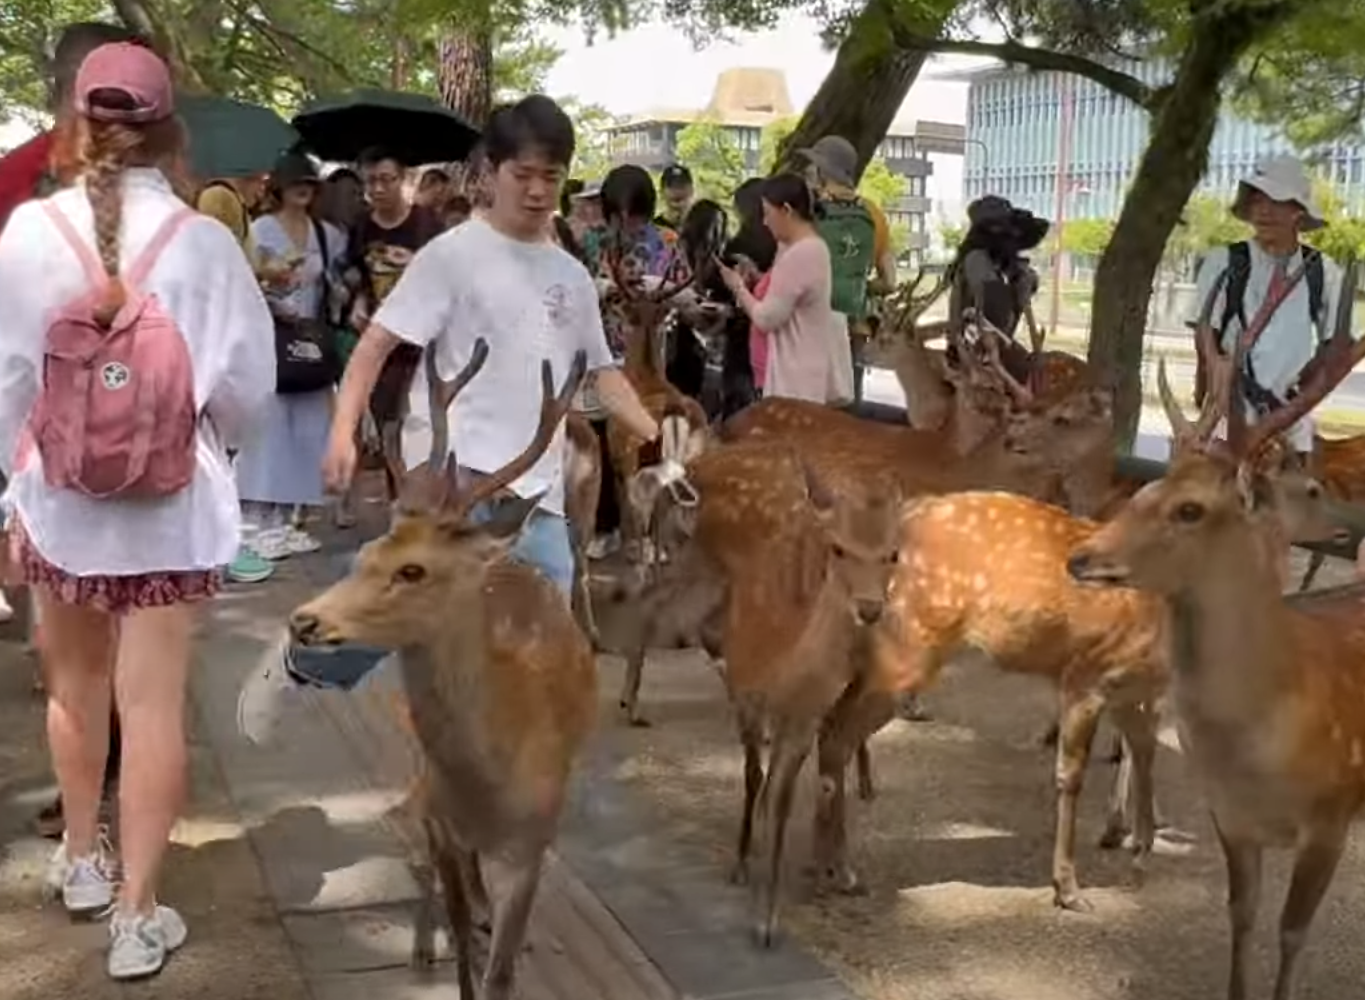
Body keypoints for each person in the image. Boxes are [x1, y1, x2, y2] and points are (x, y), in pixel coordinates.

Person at [237, 94, 659, 734]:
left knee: (546, 641)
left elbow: (603, 374)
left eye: (553, 177)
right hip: (449, 483)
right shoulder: (451, 255)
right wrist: (343, 432)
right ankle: (301, 665)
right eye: (525, 175)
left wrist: (663, 444)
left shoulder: (571, 277)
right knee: (382, 600)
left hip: (533, 498)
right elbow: (377, 343)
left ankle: (508, 789)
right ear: (489, 172)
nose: (540, 191)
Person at [0, 41, 272, 978]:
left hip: (60, 505)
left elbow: (5, 381)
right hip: (168, 511)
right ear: (170, 129)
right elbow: (246, 392)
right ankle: (138, 913)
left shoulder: (28, 233)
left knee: (72, 691)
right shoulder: (204, 241)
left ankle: (80, 860)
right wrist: (209, 442)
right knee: (150, 708)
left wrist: (13, 487)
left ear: (75, 122)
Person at [2, 20, 145, 843]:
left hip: (67, 462)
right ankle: (100, 792)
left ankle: (98, 799)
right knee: (84, 653)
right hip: (85, 459)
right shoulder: (21, 183)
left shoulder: (150, 192)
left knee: (76, 654)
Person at [1193, 155, 1362, 461]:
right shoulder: (1224, 261)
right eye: (1257, 200)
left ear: (1298, 211)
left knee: (1289, 503)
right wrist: (1210, 387)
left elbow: (1337, 343)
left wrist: (1307, 383)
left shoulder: (1323, 271)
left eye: (1276, 201)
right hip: (1225, 425)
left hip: (1289, 426)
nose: (1263, 211)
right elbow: (1204, 337)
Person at [234, 153, 346, 558]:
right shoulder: (261, 229)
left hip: (310, 342)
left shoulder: (326, 235)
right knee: (268, 427)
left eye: (309, 182)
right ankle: (253, 521)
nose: (303, 188)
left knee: (307, 429)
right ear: (278, 185)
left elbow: (338, 283)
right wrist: (272, 294)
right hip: (270, 338)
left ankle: (286, 521)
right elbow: (246, 281)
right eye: (295, 181)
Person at [580, 163, 688, 560]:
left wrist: (663, 293)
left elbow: (686, 293)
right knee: (600, 440)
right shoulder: (592, 240)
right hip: (602, 352)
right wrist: (600, 286)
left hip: (651, 354)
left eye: (635, 214)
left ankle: (649, 533)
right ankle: (606, 525)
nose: (627, 222)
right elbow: (575, 286)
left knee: (650, 441)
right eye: (619, 214)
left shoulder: (667, 240)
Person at [344, 146, 445, 499]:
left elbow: (448, 281)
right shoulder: (361, 226)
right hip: (382, 343)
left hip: (425, 344)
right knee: (390, 429)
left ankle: (430, 505)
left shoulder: (427, 224)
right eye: (371, 181)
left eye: (386, 179)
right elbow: (354, 271)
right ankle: (398, 505)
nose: (379, 188)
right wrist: (357, 299)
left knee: (426, 425)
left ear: (403, 179)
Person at [718, 172, 846, 403]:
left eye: (767, 213)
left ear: (786, 210)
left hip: (793, 381)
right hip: (795, 373)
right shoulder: (805, 247)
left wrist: (737, 287)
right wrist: (757, 277)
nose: (764, 222)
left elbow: (767, 318)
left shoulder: (802, 254)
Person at [797, 135, 896, 403]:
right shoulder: (873, 214)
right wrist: (858, 287)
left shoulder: (809, 214)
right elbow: (890, 282)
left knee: (807, 407)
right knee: (846, 407)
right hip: (855, 326)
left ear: (821, 172)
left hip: (813, 323)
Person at [946, 194, 1050, 382]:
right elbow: (995, 313)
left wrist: (1023, 279)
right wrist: (1018, 286)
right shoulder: (977, 261)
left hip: (992, 354)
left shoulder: (1002, 266)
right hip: (974, 359)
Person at [655, 163, 694, 232]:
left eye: (681, 186)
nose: (677, 192)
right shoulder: (653, 229)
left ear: (691, 190)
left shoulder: (703, 226)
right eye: (671, 187)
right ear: (661, 192)